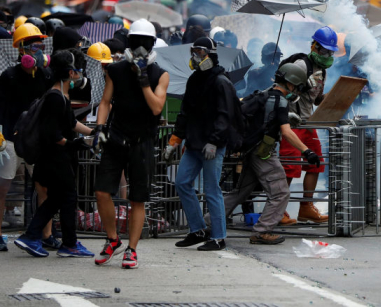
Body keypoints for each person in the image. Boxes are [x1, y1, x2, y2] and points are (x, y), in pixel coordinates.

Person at [92, 19, 169, 269]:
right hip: (116, 138)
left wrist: (144, 78)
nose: (140, 48)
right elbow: (105, 102)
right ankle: (113, 239)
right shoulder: (115, 70)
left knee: (138, 198)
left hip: (142, 142)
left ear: (152, 44)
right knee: (102, 191)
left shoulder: (160, 74)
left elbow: (157, 107)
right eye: (136, 42)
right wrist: (99, 129)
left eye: (144, 43)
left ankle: (132, 250)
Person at [220, 63, 320, 244]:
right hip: (263, 152)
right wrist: (307, 151)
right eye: (297, 87)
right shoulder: (281, 101)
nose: (296, 92)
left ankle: (207, 223)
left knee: (240, 193)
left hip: (250, 150)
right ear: (290, 84)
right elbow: (288, 133)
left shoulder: (263, 95)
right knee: (281, 193)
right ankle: (262, 231)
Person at [13, 51, 94, 258]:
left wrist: (93, 132)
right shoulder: (55, 98)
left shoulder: (61, 96)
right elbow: (53, 134)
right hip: (54, 158)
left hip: (56, 157)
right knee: (66, 196)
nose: (79, 74)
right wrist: (72, 144)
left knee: (58, 198)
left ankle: (34, 236)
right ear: (69, 72)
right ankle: (67, 243)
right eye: (77, 70)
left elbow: (71, 123)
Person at [165, 37, 240, 251]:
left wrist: (214, 142)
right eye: (194, 51)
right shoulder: (194, 79)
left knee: (211, 190)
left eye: (200, 52)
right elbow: (185, 112)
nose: (196, 56)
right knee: (182, 183)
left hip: (212, 146)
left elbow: (225, 116)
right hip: (194, 144)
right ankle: (197, 230)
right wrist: (175, 140)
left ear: (211, 54)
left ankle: (218, 237)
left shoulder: (221, 82)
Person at [277, 26, 338, 225]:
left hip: (308, 123)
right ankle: (278, 211)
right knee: (289, 167)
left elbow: (316, 100)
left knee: (316, 163)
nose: (328, 55)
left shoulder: (323, 71)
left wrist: (333, 95)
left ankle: (306, 207)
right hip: (292, 123)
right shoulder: (301, 65)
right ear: (314, 47)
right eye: (324, 51)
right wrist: (299, 88)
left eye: (331, 52)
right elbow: (282, 90)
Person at [0, 23, 52, 252]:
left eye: (40, 46)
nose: (37, 50)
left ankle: (46, 234)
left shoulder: (45, 75)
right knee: (2, 188)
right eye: (32, 46)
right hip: (11, 139)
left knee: (44, 189)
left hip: (35, 142)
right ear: (21, 49)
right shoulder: (8, 76)